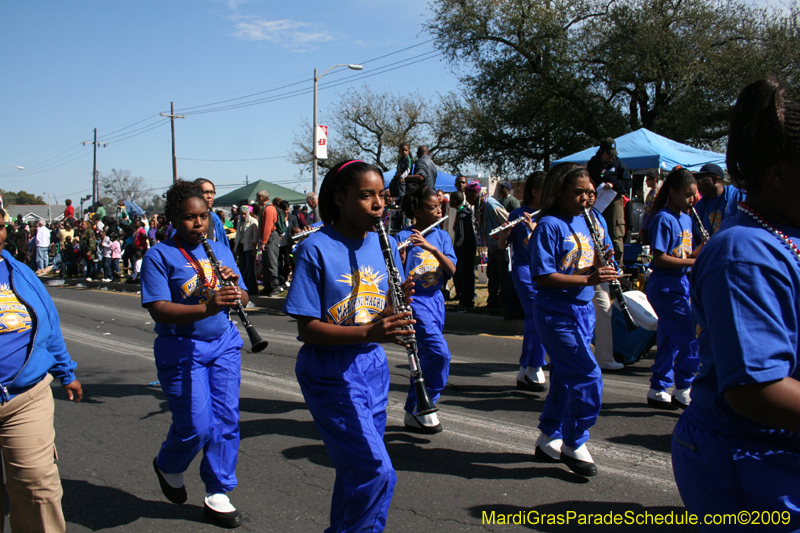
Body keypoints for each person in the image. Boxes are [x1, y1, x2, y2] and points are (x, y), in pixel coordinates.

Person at [670, 78, 800, 528]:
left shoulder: (784, 233)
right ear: (779, 173)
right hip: (753, 459)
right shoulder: (744, 252)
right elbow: (755, 389)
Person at [283, 160, 415, 533]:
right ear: (340, 199)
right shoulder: (316, 248)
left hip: (371, 365)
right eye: (366, 195)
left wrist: (395, 309)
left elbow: (376, 311)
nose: (378, 205)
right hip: (330, 370)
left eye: (382, 196)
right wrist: (369, 334)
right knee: (376, 471)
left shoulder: (384, 242)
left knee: (355, 470)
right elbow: (308, 329)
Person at [141, 180, 249, 528]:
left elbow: (245, 297)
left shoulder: (219, 248)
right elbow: (158, 309)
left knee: (226, 419)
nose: (198, 224)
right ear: (173, 218)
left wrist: (234, 291)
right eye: (189, 218)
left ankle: (218, 489)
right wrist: (207, 306)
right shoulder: (159, 255)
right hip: (181, 347)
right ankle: (169, 464)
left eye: (203, 217)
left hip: (224, 345)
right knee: (195, 425)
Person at [529, 163, 618, 477]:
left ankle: (547, 436)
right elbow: (542, 276)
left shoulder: (596, 221)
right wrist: (587, 280)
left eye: (591, 191)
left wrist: (605, 266)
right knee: (587, 375)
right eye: (579, 192)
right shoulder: (549, 225)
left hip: (584, 312)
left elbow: (601, 262)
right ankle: (574, 441)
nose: (587, 197)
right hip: (555, 312)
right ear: (560, 192)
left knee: (566, 376)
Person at [0, 207, 83, 533]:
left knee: (37, 487)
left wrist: (66, 371)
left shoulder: (19, 272)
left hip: (25, 397)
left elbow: (48, 325)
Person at [394, 184, 456, 434]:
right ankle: (424, 404)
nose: (439, 209)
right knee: (440, 354)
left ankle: (416, 408)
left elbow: (451, 270)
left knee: (426, 358)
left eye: (439, 205)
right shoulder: (401, 237)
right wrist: (402, 254)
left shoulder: (441, 236)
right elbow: (395, 276)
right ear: (417, 210)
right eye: (433, 207)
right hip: (415, 302)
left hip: (436, 299)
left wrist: (432, 249)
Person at [644, 167, 701, 409]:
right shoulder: (663, 218)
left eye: (694, 194)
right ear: (673, 192)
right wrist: (694, 262)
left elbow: (687, 253)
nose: (693, 200)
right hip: (665, 286)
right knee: (690, 338)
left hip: (681, 284)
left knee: (669, 339)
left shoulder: (687, 218)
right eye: (688, 194)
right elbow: (660, 259)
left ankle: (658, 387)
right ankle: (684, 386)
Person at [497, 171, 550, 389]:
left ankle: (525, 368)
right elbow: (502, 246)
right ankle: (533, 366)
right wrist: (504, 234)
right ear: (535, 191)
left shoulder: (549, 215)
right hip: (524, 269)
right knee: (537, 314)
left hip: (545, 270)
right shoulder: (517, 213)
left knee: (541, 316)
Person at [584, 183, 625, 371]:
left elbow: (607, 244)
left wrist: (612, 266)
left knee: (604, 311)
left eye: (593, 193)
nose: (591, 196)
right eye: (588, 192)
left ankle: (604, 357)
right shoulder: (574, 217)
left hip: (600, 273)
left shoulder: (598, 216)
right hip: (582, 273)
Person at [587, 137, 631, 267]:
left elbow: (628, 183)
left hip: (613, 201)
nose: (612, 157)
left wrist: (614, 185)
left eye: (613, 154)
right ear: (602, 152)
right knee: (594, 229)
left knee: (615, 233)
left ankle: (618, 265)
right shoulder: (593, 163)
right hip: (596, 201)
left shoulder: (619, 165)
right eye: (609, 154)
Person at [464, 181, 509, 307]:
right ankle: (493, 302)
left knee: (502, 276)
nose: (467, 199)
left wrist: (503, 237)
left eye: (467, 196)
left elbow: (508, 221)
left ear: (474, 194)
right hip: (492, 247)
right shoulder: (480, 206)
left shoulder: (490, 204)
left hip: (500, 246)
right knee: (492, 274)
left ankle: (503, 302)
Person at [692, 162, 745, 238]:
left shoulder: (737, 197)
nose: (698, 185)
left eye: (702, 180)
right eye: (696, 181)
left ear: (715, 179)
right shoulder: (700, 207)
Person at [450, 191, 476, 312]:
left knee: (465, 276)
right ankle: (465, 299)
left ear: (455, 201)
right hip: (467, 251)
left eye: (451, 199)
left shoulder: (462, 215)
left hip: (465, 252)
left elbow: (462, 236)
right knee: (465, 276)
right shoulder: (464, 213)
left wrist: (456, 248)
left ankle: (466, 301)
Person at [256, 190, 281, 296]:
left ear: (261, 198)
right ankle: (267, 287)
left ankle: (275, 287)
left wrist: (264, 241)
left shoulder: (269, 209)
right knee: (265, 264)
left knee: (271, 263)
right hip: (268, 238)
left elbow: (267, 226)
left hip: (270, 237)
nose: (257, 201)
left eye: (257, 199)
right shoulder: (266, 208)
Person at [234, 205, 259, 295]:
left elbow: (255, 237)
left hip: (249, 247)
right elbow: (237, 236)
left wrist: (254, 249)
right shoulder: (240, 222)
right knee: (242, 268)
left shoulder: (253, 221)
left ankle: (253, 289)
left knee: (250, 269)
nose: (243, 216)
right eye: (242, 214)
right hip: (241, 247)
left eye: (245, 214)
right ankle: (244, 287)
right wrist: (235, 248)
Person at [639, 170, 660, 245]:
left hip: (653, 227)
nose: (646, 182)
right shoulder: (650, 193)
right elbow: (646, 210)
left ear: (654, 180)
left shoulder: (659, 193)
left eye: (648, 180)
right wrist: (642, 227)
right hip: (646, 227)